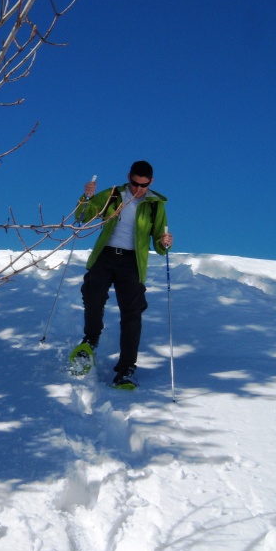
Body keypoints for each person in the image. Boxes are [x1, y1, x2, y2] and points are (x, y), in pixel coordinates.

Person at [73, 160, 173, 388]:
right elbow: (83, 217)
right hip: (105, 255)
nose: (138, 189)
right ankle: (90, 341)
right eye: (135, 183)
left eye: (144, 185)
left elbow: (159, 240)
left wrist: (165, 241)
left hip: (132, 262)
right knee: (93, 297)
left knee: (132, 314)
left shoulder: (155, 205)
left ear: (151, 182)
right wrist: (86, 197)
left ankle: (126, 368)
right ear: (129, 177)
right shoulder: (113, 195)